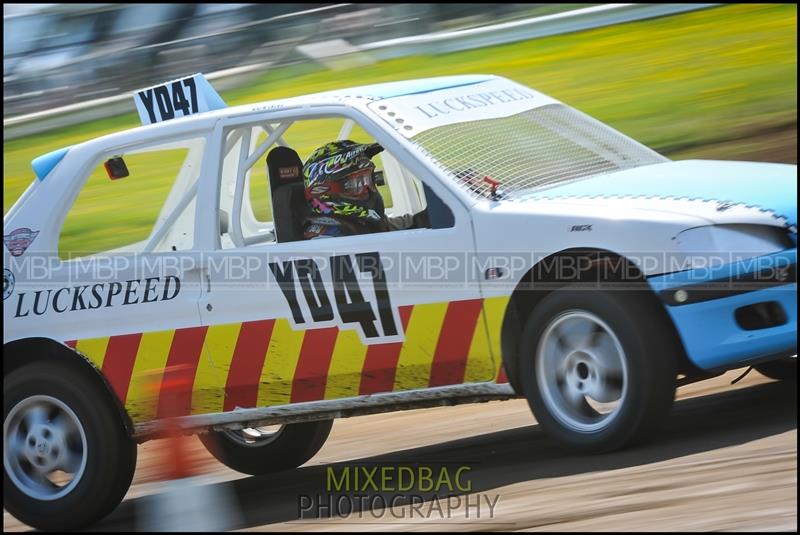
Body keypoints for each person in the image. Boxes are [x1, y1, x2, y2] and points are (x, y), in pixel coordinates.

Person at [301, 140, 412, 239]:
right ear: (323, 192)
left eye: (368, 179)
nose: (366, 190)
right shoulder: (328, 237)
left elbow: (407, 224)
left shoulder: (360, 222)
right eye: (356, 184)